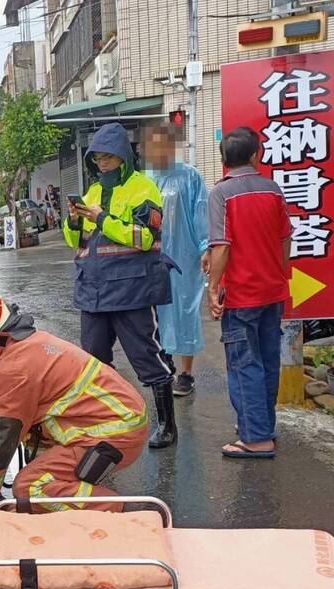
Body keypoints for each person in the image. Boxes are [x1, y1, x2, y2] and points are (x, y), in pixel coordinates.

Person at [0, 290, 148, 528]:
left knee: (31, 487)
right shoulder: (27, 347)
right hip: (113, 422)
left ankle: (127, 516)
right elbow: (3, 434)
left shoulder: (14, 369)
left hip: (113, 431)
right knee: (38, 475)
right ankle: (81, 513)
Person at [63, 122, 177, 449]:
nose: (102, 163)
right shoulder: (94, 191)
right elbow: (77, 242)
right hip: (93, 292)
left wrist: (100, 218)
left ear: (123, 157)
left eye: (108, 158)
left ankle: (167, 425)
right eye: (97, 158)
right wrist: (74, 219)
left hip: (131, 291)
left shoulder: (143, 188)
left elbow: (144, 239)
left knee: (147, 358)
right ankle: (106, 422)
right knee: (94, 361)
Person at [207, 127, 291, 459]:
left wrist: (213, 288)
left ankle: (255, 438)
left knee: (244, 364)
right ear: (256, 155)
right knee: (268, 360)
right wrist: (279, 270)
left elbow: (222, 246)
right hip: (273, 290)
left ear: (223, 159)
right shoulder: (273, 191)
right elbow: (285, 238)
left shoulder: (222, 194)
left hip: (241, 294)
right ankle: (262, 425)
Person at [144, 123, 210, 396]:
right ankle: (166, 364)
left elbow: (201, 214)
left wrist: (206, 247)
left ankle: (186, 373)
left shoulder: (191, 177)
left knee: (185, 310)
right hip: (154, 256)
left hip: (185, 256)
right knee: (157, 312)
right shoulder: (147, 179)